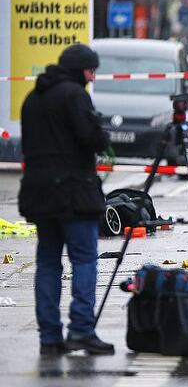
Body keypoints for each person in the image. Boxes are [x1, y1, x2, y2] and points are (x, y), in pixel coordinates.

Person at [18, 44, 114, 355]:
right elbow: (90, 139)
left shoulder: (33, 98)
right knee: (84, 259)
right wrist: (101, 130)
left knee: (47, 262)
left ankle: (49, 337)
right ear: (79, 70)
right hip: (74, 193)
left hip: (39, 194)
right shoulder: (75, 95)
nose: (93, 76)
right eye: (90, 70)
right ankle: (81, 330)